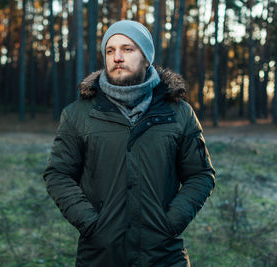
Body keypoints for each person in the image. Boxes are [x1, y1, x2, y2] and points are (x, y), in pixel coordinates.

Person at [43, 20, 215, 267]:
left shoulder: (178, 114)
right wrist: (91, 224)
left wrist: (170, 222)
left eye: (128, 49)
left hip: (163, 255)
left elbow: (201, 175)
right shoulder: (78, 114)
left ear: (146, 58)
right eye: (110, 50)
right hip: (100, 255)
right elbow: (58, 174)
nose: (117, 57)